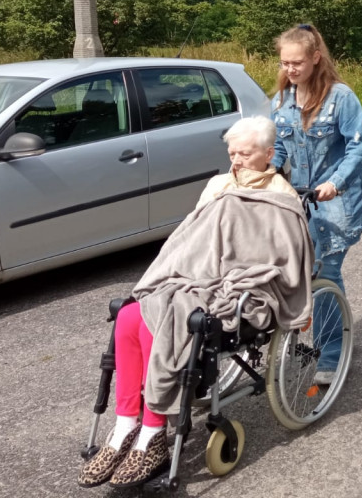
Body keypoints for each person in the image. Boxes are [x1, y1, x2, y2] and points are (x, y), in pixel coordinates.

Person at [78, 117, 308, 488]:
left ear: (268, 154)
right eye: (231, 152)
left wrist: (228, 274)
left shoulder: (282, 196)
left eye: (245, 154)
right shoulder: (218, 184)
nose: (236, 159)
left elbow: (283, 257)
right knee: (130, 315)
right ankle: (125, 425)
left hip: (236, 286)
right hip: (193, 274)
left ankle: (154, 433)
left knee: (164, 320)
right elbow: (192, 236)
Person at [271, 23, 362, 382]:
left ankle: (331, 353)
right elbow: (279, 147)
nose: (290, 70)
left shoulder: (341, 97)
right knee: (298, 272)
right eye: (284, 63)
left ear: (315, 58)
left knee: (324, 272)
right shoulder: (281, 100)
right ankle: (334, 331)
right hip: (298, 201)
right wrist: (263, 171)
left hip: (336, 203)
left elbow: (360, 147)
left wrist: (334, 182)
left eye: (296, 62)